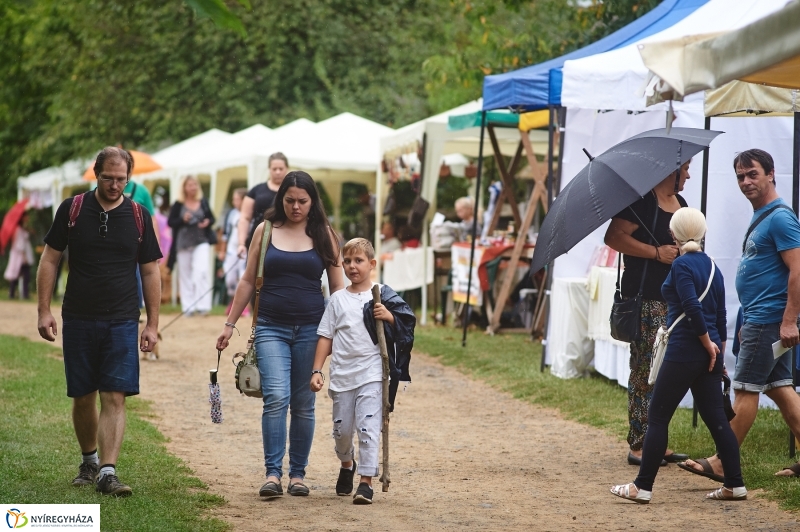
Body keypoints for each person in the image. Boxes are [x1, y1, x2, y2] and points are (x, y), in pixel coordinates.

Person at [36, 147, 161, 497]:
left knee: (115, 395)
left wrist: (152, 323)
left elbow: (150, 270)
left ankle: (108, 471)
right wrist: (43, 310)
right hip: (77, 315)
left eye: (122, 179)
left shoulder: (139, 215)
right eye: (108, 178)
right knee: (82, 395)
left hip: (122, 319)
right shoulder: (73, 209)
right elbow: (49, 261)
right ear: (96, 174)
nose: (115, 185)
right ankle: (89, 460)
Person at [216, 171, 344, 498]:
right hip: (270, 326)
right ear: (280, 199)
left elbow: (338, 289)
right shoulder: (265, 229)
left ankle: (298, 475)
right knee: (275, 397)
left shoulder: (325, 234)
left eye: (302, 201)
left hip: (312, 331)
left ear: (313, 202)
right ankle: (273, 473)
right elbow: (247, 281)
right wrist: (230, 325)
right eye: (289, 200)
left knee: (303, 403)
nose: (296, 207)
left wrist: (343, 332)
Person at [610, 207, 746, 503]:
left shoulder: (682, 266)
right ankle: (734, 484)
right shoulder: (713, 266)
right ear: (703, 233)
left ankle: (642, 486)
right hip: (708, 356)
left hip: (685, 349)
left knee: (657, 418)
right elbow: (721, 314)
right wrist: (717, 350)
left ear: (673, 234)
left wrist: (705, 342)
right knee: (717, 421)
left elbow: (690, 307)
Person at [680, 149, 800, 480]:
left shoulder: (780, 218)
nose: (745, 182)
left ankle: (722, 462)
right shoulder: (764, 214)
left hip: (769, 319)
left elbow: (798, 269)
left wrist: (788, 320)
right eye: (740, 176)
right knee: (780, 388)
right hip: (762, 318)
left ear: (771, 174)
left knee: (745, 389)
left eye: (753, 174)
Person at [310, 238, 415, 505]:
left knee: (369, 428)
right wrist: (317, 370)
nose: (352, 266)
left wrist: (388, 316)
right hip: (343, 375)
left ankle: (366, 482)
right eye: (347, 261)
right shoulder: (336, 300)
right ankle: (347, 464)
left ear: (371, 264)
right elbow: (325, 336)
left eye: (359, 261)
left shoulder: (383, 295)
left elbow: (406, 324)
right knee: (342, 431)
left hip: (373, 374)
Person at [604, 161, 692, 466]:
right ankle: (639, 445)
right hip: (646, 301)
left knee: (666, 374)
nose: (689, 175)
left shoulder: (681, 204)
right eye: (687, 168)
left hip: (674, 300)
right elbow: (614, 238)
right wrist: (656, 253)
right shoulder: (642, 202)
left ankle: (657, 440)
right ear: (672, 170)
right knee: (645, 372)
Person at [168, 175, 216, 316]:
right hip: (183, 243)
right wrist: (183, 219)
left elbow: (212, 218)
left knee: (201, 272)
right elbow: (171, 222)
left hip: (201, 240)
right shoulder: (178, 204)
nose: (193, 187)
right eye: (190, 185)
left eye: (195, 184)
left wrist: (207, 222)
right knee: (185, 275)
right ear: (184, 188)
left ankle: (203, 306)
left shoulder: (203, 202)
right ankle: (188, 307)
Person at [237, 152, 289, 257]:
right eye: (274, 169)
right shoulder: (256, 190)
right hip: (258, 241)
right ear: (269, 169)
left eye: (281, 168)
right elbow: (245, 218)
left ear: (287, 168)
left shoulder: (293, 191)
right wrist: (241, 243)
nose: (278, 172)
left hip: (286, 241)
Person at [221, 188, 248, 314]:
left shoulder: (249, 214)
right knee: (230, 280)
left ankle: (244, 307)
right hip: (232, 250)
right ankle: (233, 302)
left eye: (236, 199)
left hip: (245, 251)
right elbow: (225, 234)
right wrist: (222, 250)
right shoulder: (231, 214)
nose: (234, 202)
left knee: (243, 277)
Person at [4, 211, 34, 299]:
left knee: (19, 275)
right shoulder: (18, 229)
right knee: (21, 275)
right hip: (20, 256)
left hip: (22, 255)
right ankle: (19, 294)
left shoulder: (23, 228)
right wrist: (24, 256)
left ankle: (15, 293)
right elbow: (19, 244)